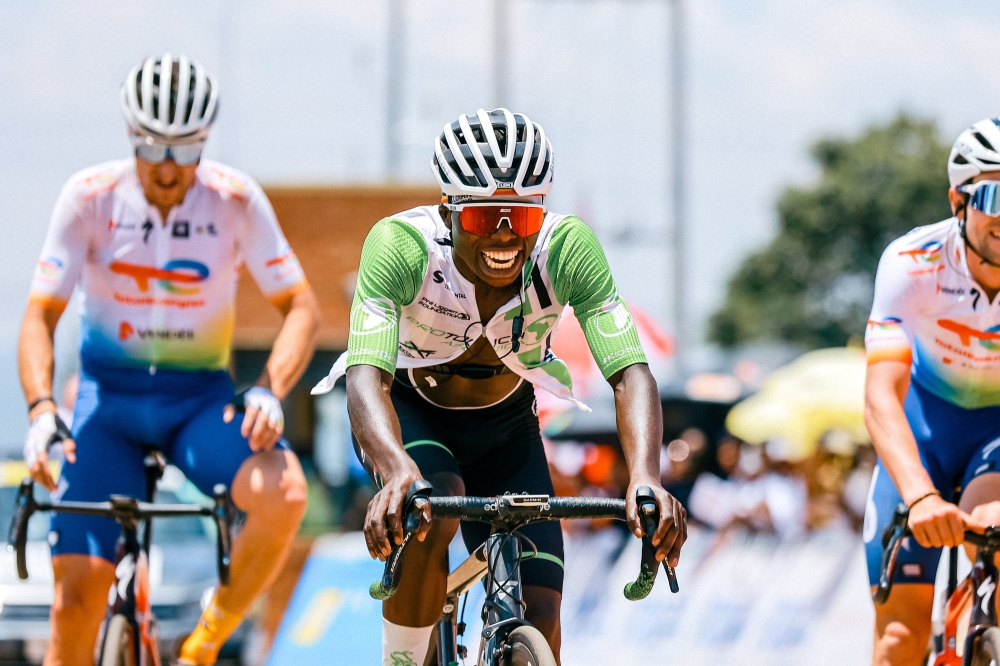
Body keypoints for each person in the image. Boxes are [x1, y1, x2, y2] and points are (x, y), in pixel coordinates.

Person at [312, 108, 687, 665]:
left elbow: (630, 371)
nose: (507, 235)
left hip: (508, 426)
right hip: (417, 416)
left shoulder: (567, 249)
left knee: (543, 613)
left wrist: (645, 477)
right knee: (429, 507)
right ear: (450, 211)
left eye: (523, 218)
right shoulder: (401, 246)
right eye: (487, 220)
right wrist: (395, 471)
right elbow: (367, 377)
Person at [18, 54, 320, 666]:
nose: (167, 168)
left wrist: (267, 389)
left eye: (186, 151)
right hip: (108, 407)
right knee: (73, 612)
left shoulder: (234, 200)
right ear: (132, 136)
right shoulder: (89, 198)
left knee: (285, 494)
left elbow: (303, 307)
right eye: (154, 149)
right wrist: (43, 409)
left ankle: (202, 645)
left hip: (197, 404)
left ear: (205, 144)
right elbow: (38, 318)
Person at [864, 117, 1000, 665]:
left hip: (994, 434)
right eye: (994, 193)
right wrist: (920, 497)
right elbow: (880, 396)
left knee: (990, 535)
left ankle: (976, 625)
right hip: (921, 431)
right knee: (899, 639)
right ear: (958, 201)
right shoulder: (911, 262)